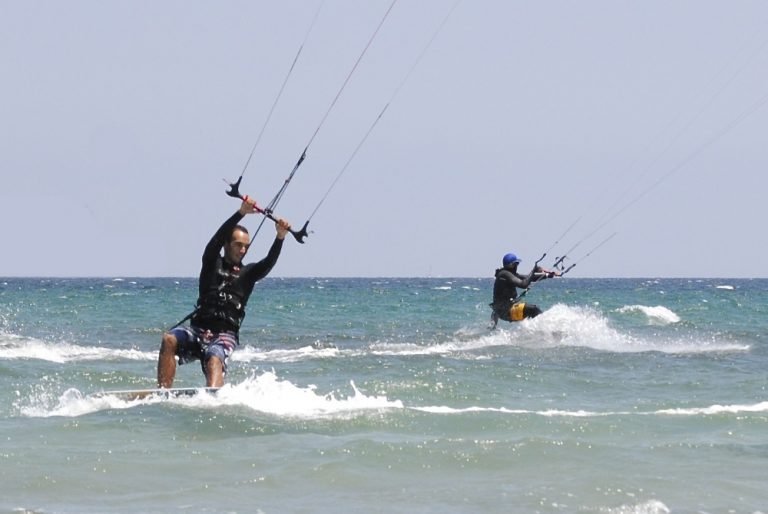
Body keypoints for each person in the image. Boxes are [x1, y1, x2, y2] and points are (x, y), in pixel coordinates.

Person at [157, 198, 291, 388]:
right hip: (197, 330)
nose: (243, 250)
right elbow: (216, 239)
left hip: (224, 335)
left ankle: (213, 397)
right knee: (169, 339)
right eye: (238, 244)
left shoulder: (249, 274)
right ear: (226, 245)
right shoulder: (212, 262)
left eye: (246, 246)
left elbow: (268, 262)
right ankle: (163, 392)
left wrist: (280, 237)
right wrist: (241, 212)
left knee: (214, 358)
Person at [490, 252, 560, 327]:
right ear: (513, 265)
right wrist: (534, 270)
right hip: (506, 311)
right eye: (516, 264)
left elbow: (528, 278)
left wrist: (548, 275)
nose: (517, 266)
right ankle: (548, 327)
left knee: (532, 313)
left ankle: (536, 333)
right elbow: (523, 284)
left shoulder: (507, 274)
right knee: (533, 309)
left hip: (504, 310)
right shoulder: (505, 274)